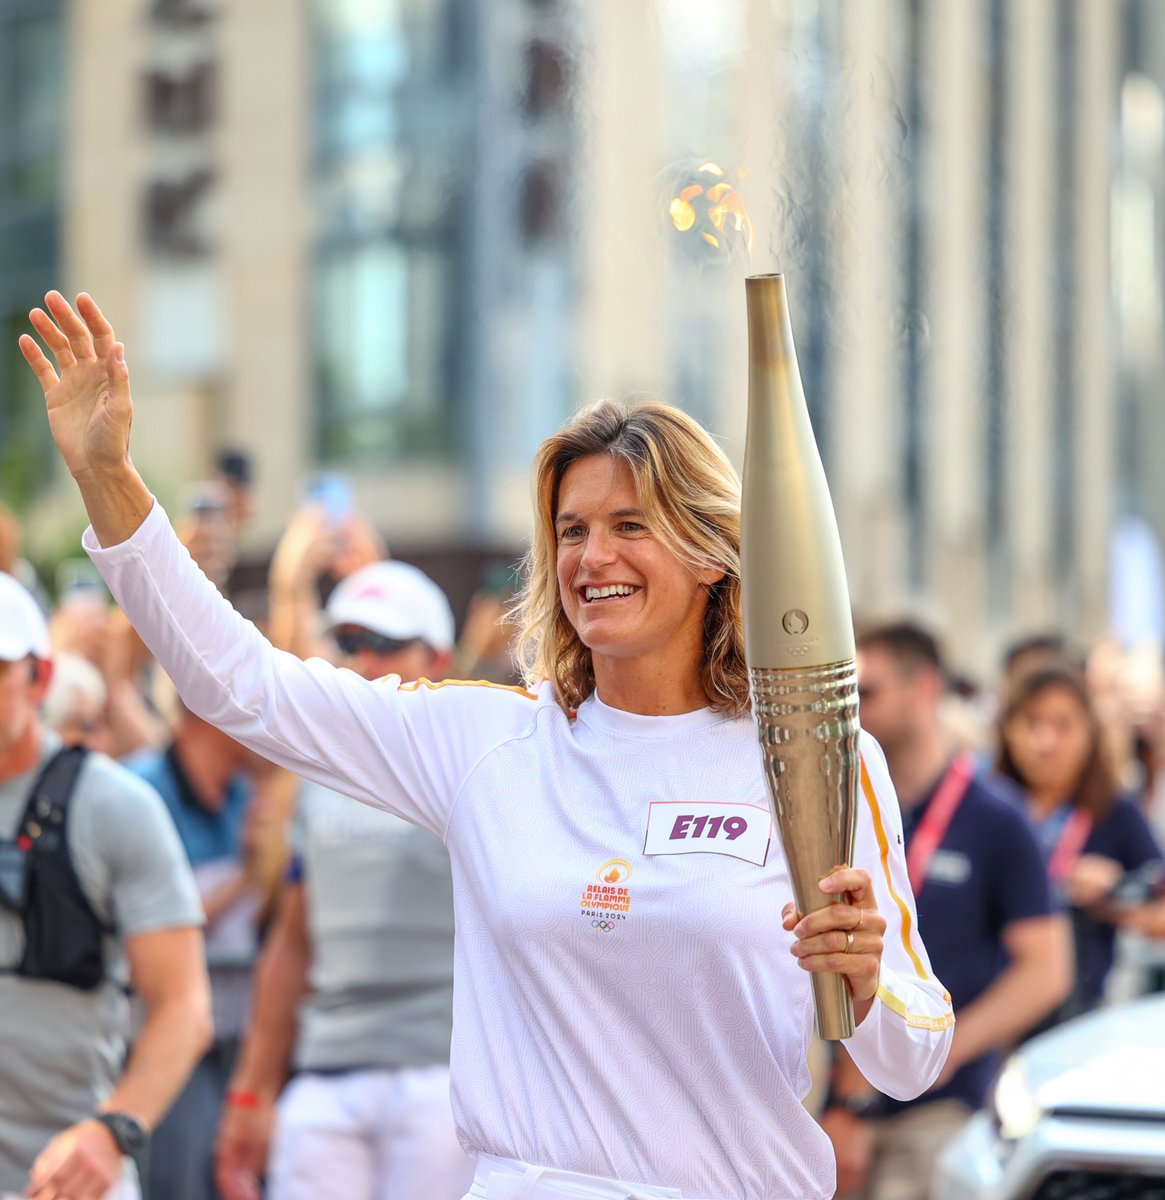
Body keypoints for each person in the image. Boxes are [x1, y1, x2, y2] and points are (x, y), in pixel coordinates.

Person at [20, 291, 953, 1200]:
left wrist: (867, 985)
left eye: (632, 527)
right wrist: (109, 477)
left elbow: (916, 1054)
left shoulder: (816, 760)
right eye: (572, 531)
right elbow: (242, 685)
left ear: (712, 553)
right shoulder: (490, 740)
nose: (592, 559)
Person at [215, 558, 474, 1200]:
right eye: (348, 642)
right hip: (326, 1076)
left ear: (439, 658)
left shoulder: (477, 770)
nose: (362, 661)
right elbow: (293, 944)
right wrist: (251, 1092)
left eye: (385, 644)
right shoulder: (316, 784)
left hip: (441, 1081)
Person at [819, 622, 1072, 1200]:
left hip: (941, 1110)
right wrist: (846, 1099)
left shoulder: (997, 818)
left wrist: (939, 1050)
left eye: (868, 690)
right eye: (843, 689)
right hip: (843, 1103)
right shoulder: (839, 808)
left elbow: (1047, 970)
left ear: (924, 689)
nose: (848, 706)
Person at [0, 570, 212, 1200]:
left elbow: (183, 1005)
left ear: (38, 678)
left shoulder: (111, 804)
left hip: (67, 1178)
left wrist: (113, 1128)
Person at [123, 703, 273, 1200]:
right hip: (156, 1046)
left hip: (232, 1048)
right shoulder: (138, 791)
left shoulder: (245, 796)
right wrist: (249, 876)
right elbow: (152, 926)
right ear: (207, 713)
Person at [996, 661, 1164, 1024]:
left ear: (1090, 731)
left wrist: (1115, 893)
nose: (1045, 742)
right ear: (1008, 730)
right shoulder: (989, 808)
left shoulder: (1114, 811)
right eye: (1031, 722)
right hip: (988, 1012)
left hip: (1079, 1018)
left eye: (1063, 725)